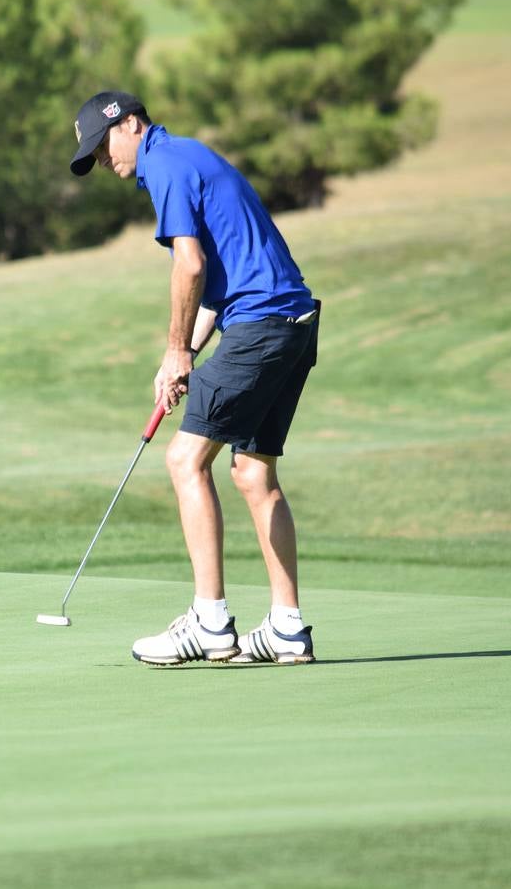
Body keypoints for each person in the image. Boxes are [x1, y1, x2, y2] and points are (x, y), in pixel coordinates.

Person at [69, 90, 319, 665]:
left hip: (260, 325)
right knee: (254, 474)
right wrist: (179, 357)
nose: (103, 161)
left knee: (185, 460)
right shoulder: (187, 157)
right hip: (292, 323)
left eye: (102, 146)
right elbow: (216, 285)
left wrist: (178, 349)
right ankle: (287, 628)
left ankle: (209, 622)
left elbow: (190, 263)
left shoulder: (164, 164)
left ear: (131, 124)